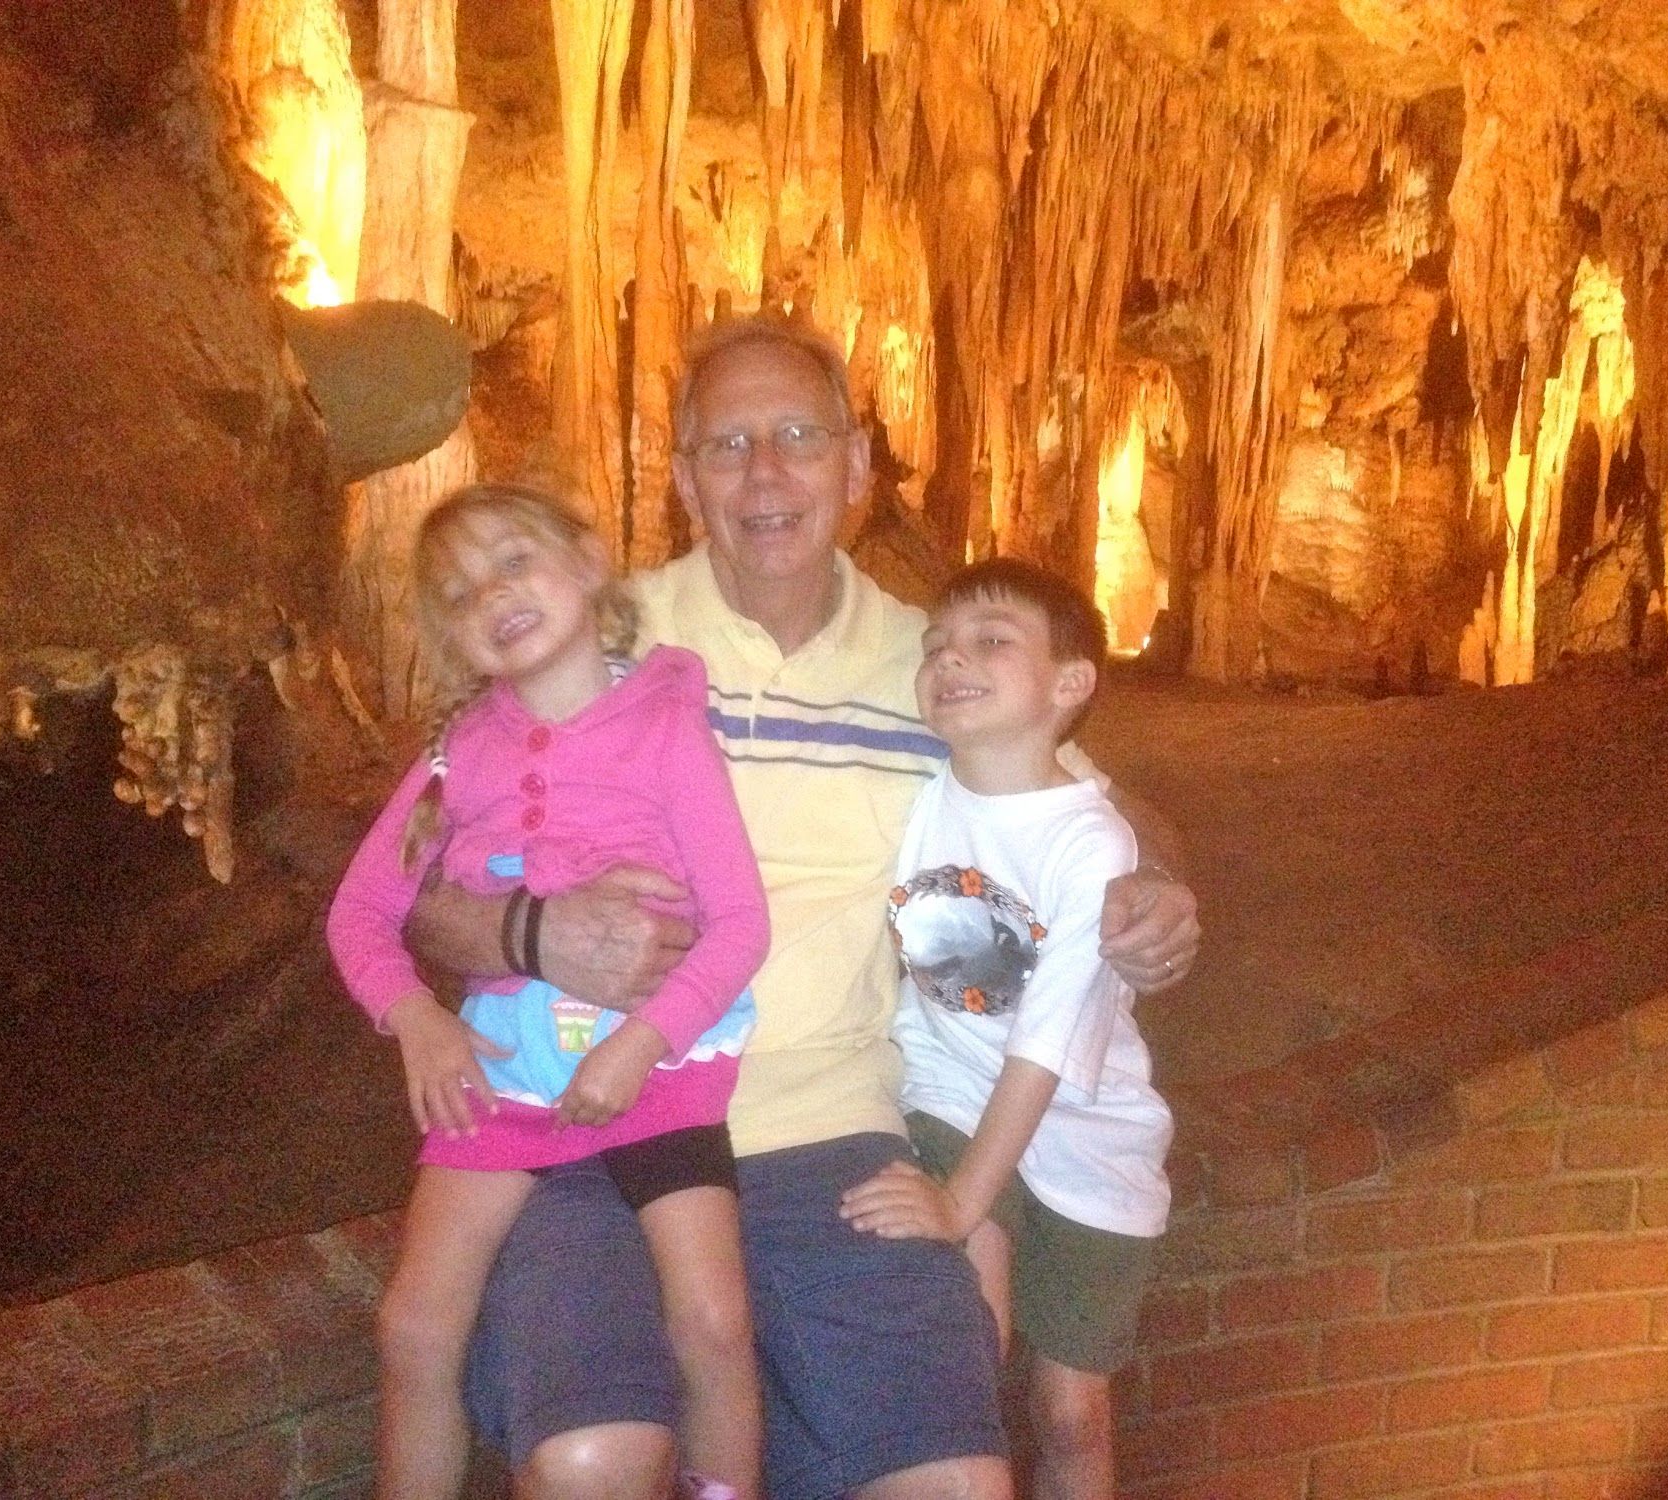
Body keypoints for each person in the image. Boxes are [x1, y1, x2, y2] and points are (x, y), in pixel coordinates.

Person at [407, 314, 1201, 1500]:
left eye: (796, 436)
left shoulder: (931, 667)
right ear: (681, 480)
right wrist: (532, 931)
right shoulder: (590, 638)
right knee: (588, 1464)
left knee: (953, 1488)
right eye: (726, 446)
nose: (764, 474)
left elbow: (1095, 804)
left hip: (833, 1138)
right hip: (595, 1131)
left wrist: (1159, 894)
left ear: (857, 466)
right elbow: (416, 895)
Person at [326, 484, 770, 1500]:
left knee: (711, 1320)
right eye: (459, 592)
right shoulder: (455, 755)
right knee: (413, 1324)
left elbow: (741, 923)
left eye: (512, 561)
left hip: (658, 1069)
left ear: (585, 558)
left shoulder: (666, 731)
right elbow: (359, 912)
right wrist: (417, 1020)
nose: (492, 595)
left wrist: (640, 1044)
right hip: (506, 1072)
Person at [840, 558, 1173, 1500]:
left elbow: (1045, 1051)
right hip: (949, 1098)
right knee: (964, 1363)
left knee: (1071, 1415)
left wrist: (956, 1203)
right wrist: (959, 1204)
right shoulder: (916, 795)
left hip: (1085, 1130)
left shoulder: (1090, 843)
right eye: (937, 646)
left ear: (1070, 685)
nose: (953, 659)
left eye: (992, 641)